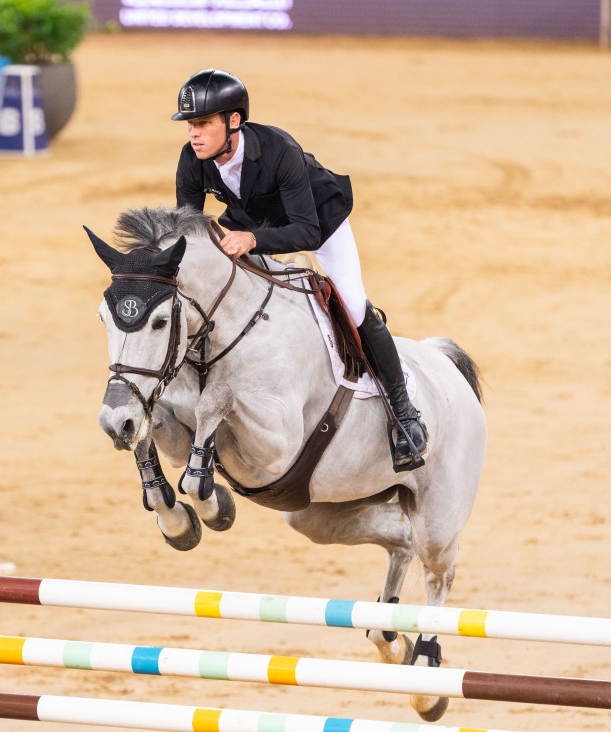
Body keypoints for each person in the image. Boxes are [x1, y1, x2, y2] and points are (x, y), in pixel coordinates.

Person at [172, 68, 427, 472]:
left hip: (319, 222)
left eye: (203, 123)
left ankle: (404, 412)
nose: (194, 134)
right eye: (190, 125)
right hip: (254, 220)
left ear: (233, 120)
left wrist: (252, 241)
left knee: (354, 307)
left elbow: (305, 229)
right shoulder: (194, 158)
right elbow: (187, 226)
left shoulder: (279, 150)